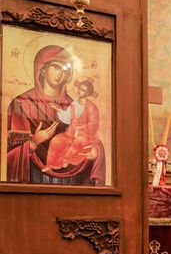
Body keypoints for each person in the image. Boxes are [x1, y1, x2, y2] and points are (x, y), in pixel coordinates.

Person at [6, 45, 106, 185]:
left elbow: (91, 134)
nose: (60, 74)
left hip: (73, 179)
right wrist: (34, 143)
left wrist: (96, 151)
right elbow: (8, 152)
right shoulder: (22, 104)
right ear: (43, 68)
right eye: (56, 67)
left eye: (65, 69)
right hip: (34, 177)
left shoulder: (74, 105)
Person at [43, 79, 102, 172]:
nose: (79, 91)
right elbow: (67, 118)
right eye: (79, 88)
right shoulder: (74, 104)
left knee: (77, 142)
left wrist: (81, 129)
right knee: (56, 140)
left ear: (88, 93)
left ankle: (65, 161)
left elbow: (94, 124)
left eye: (83, 90)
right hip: (70, 133)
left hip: (85, 135)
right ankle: (50, 164)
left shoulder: (91, 107)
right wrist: (58, 109)